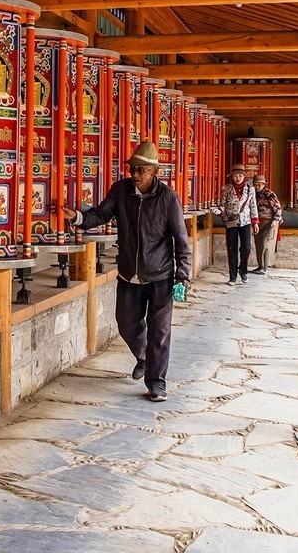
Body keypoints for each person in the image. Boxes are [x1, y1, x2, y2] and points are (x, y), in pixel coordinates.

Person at [61, 140, 190, 402]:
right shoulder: (120, 191)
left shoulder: (168, 199)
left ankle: (157, 383)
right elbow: (101, 214)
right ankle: (143, 357)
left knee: (160, 331)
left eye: (141, 169)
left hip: (161, 276)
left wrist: (183, 275)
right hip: (129, 273)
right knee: (127, 323)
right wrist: (77, 217)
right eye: (133, 168)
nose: (135, 173)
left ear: (154, 172)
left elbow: (181, 240)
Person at [213, 164, 258, 285]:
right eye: (235, 175)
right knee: (232, 249)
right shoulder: (226, 189)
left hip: (246, 221)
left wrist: (255, 221)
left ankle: (243, 271)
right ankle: (232, 276)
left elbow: (253, 206)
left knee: (246, 248)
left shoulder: (250, 189)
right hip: (231, 221)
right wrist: (220, 211)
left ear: (244, 176)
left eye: (240, 175)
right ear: (231, 176)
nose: (238, 178)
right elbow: (223, 204)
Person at [250, 174, 283, 275]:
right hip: (258, 222)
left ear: (264, 184)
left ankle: (265, 267)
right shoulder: (253, 194)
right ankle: (260, 265)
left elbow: (278, 208)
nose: (258, 186)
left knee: (266, 244)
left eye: (260, 184)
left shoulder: (269, 194)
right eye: (256, 184)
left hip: (269, 222)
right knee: (259, 244)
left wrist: (275, 221)